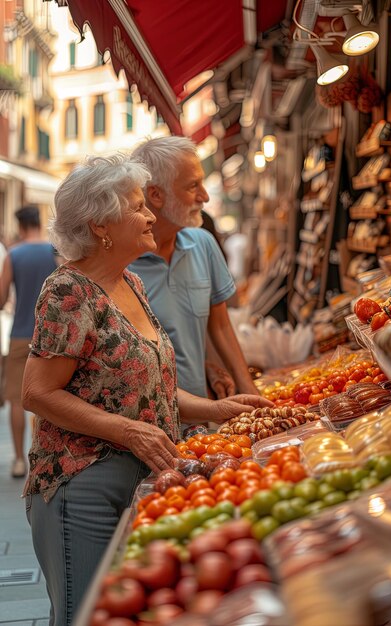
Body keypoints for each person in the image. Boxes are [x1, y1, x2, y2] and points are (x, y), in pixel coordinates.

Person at [21, 154, 272, 626]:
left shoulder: (130, 282)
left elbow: (150, 390)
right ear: (100, 225)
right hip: (83, 486)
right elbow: (36, 393)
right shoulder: (68, 291)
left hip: (144, 478)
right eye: (137, 207)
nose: (151, 216)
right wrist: (128, 431)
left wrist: (218, 409)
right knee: (87, 614)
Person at [129, 136, 259, 402]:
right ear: (156, 194)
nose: (205, 196)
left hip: (202, 418)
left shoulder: (203, 243)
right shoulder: (123, 265)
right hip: (151, 421)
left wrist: (249, 390)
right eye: (193, 186)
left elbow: (220, 327)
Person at [0, 205, 57, 478]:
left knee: (14, 399)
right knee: (50, 396)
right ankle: (44, 457)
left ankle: (19, 460)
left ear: (21, 226)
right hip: (50, 334)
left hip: (20, 334)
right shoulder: (53, 252)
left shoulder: (13, 254)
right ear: (39, 222)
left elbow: (1, 299)